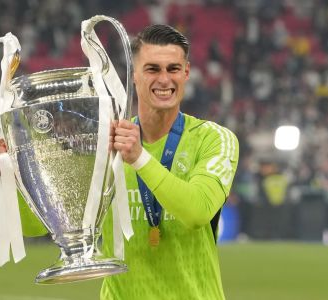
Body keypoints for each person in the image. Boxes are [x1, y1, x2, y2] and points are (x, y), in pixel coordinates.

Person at [100, 24, 239, 300]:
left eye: (173, 69)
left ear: (186, 73)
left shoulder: (213, 139)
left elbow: (198, 211)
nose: (164, 79)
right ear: (134, 75)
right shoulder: (106, 144)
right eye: (152, 69)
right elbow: (35, 227)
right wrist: (11, 169)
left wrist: (139, 158)